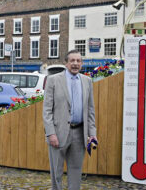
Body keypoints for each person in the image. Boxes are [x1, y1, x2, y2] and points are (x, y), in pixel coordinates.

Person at [43, 50, 97, 190]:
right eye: (72, 61)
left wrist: (92, 134)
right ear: (66, 63)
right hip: (58, 134)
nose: (75, 64)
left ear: (82, 63)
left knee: (76, 172)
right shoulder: (53, 80)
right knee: (57, 172)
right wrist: (50, 133)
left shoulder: (87, 81)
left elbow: (90, 110)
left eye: (78, 61)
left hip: (80, 133)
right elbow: (47, 110)